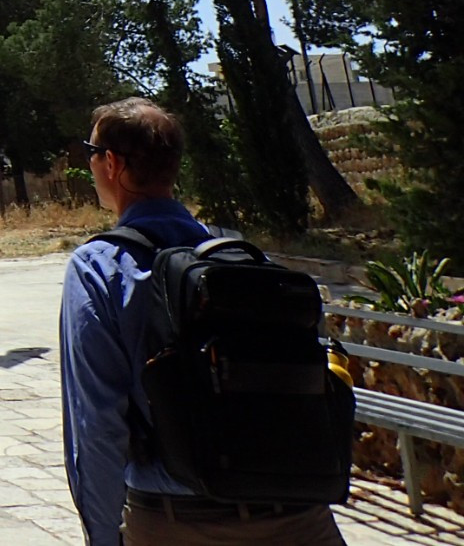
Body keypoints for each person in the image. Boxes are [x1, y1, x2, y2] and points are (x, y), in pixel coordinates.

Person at [60, 97, 346, 545]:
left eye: (91, 153)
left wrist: (102, 535)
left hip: (179, 521)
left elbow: (98, 425)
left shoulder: (98, 267)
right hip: (298, 514)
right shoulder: (242, 256)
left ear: (111, 164)